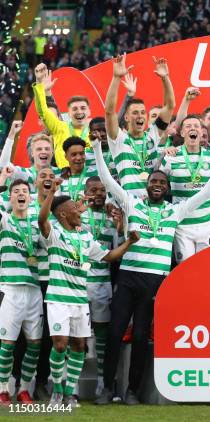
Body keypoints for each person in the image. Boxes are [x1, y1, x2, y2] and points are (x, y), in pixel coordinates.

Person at [91, 137, 210, 405]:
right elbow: (108, 182)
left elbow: (207, 193)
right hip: (128, 278)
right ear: (147, 185)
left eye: (162, 183)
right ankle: (108, 387)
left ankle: (132, 391)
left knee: (141, 336)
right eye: (154, 181)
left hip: (155, 283)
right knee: (116, 332)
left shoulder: (176, 211)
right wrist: (96, 150)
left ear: (167, 189)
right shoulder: (132, 204)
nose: (157, 185)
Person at [38, 178, 139, 407]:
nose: (80, 211)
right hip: (58, 299)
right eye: (75, 210)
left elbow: (109, 257)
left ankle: (70, 395)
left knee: (79, 346)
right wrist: (52, 193)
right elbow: (42, 219)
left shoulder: (85, 237)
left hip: (80, 301)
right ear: (63, 215)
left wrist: (128, 243)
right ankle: (58, 390)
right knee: (60, 344)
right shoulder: (54, 235)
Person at [159, 114, 210, 261]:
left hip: (207, 224)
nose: (192, 129)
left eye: (196, 126)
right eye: (188, 126)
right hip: (182, 225)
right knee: (184, 269)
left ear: (201, 132)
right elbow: (158, 183)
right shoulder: (171, 157)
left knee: (205, 267)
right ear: (182, 133)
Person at [104, 53, 175, 198]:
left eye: (143, 112)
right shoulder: (118, 139)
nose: (140, 116)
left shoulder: (152, 135)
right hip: (131, 206)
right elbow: (109, 111)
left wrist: (165, 78)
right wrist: (116, 78)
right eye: (135, 113)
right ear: (126, 117)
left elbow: (169, 106)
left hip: (154, 203)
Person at [0, 179, 44, 405]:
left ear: (30, 196)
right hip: (10, 290)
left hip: (34, 291)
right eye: (15, 191)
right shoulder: (5, 221)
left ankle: (25, 389)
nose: (20, 194)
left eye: (24, 191)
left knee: (34, 344)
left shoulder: (37, 224)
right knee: (7, 345)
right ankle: (3, 388)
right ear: (10, 197)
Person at [80, 176, 123, 395]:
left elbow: (116, 255)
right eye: (93, 190)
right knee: (74, 335)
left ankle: (101, 380)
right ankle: (71, 384)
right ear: (85, 191)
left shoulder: (110, 218)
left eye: (102, 190)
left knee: (102, 332)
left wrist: (119, 226)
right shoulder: (77, 216)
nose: (98, 194)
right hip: (78, 280)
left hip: (102, 282)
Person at [32, 64, 91, 169]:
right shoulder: (59, 128)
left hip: (90, 181)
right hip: (65, 181)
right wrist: (40, 83)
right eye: (75, 109)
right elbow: (43, 111)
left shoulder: (95, 132)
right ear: (68, 113)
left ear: (89, 111)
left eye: (83, 108)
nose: (79, 111)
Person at [0, 120, 56, 194]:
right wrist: (12, 134)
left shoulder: (60, 173)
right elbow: (3, 165)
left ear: (52, 152)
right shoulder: (25, 173)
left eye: (47, 149)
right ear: (32, 153)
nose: (43, 151)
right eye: (39, 149)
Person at [57, 137, 97, 202]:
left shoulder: (95, 174)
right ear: (66, 157)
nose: (78, 158)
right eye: (74, 154)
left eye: (81, 153)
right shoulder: (61, 179)